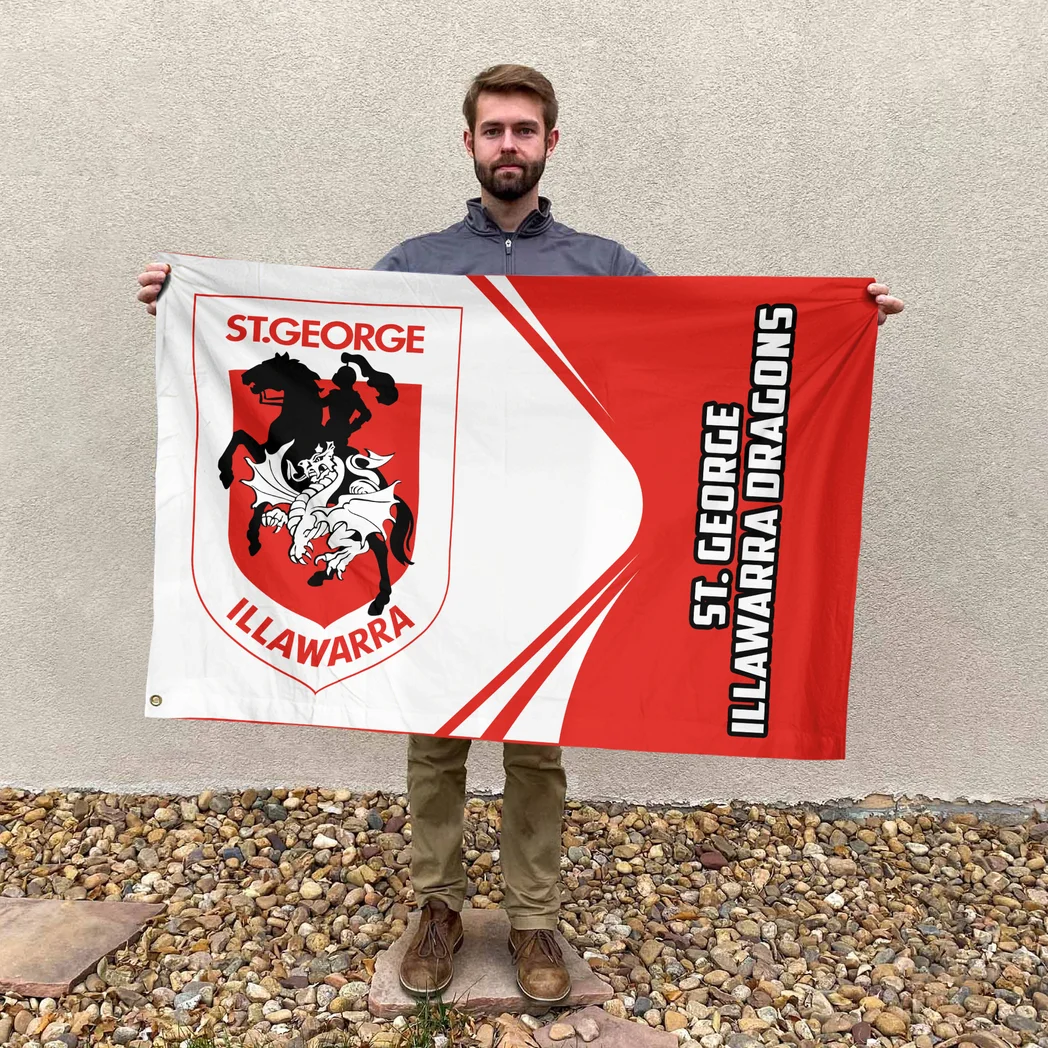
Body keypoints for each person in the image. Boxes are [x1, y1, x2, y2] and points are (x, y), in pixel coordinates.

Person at [135, 63, 904, 1005]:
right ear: (469, 142)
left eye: (525, 130)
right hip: (443, 545)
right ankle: (438, 906)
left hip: (554, 542)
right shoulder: (416, 263)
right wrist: (189, 302)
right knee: (436, 731)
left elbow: (706, 347)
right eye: (494, 129)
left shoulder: (605, 268)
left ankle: (535, 915)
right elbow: (325, 339)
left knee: (539, 736)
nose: (509, 145)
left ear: (550, 144)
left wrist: (840, 322)